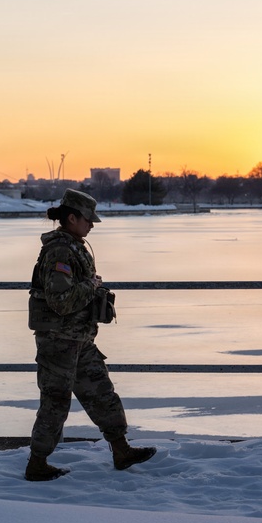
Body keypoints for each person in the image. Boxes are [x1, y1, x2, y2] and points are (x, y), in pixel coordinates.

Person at [25, 189, 156, 481]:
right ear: (71, 218)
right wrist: (93, 286)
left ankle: (121, 450)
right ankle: (37, 464)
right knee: (55, 403)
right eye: (87, 219)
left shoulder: (75, 247)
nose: (92, 225)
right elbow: (60, 301)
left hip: (80, 340)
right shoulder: (60, 251)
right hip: (59, 344)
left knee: (101, 392)